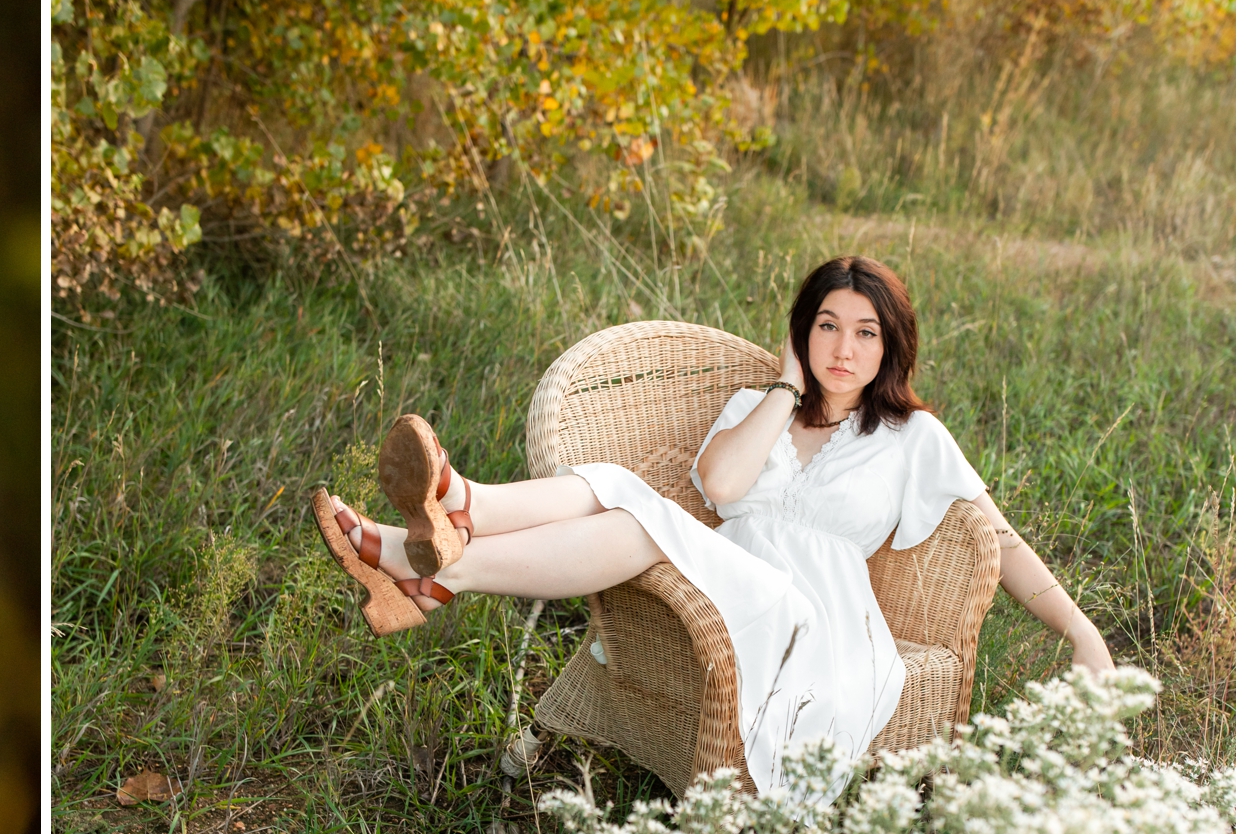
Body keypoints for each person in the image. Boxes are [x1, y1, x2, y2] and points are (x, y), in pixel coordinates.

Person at [313, 255, 1112, 798]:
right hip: (724, 583)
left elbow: (997, 541)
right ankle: (432, 563)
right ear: (802, 332)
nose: (844, 347)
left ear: (890, 345)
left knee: (633, 505)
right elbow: (726, 488)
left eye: (865, 332)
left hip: (812, 621)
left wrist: (1082, 632)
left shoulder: (912, 439)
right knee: (633, 517)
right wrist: (781, 389)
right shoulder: (757, 407)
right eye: (827, 325)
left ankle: (450, 520)